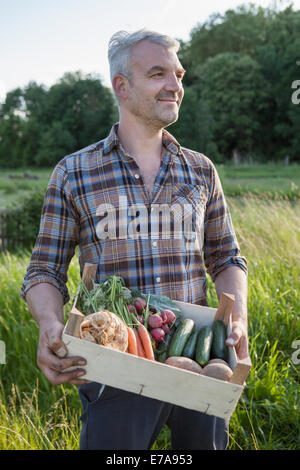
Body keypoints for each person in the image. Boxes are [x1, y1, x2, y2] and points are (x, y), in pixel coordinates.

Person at [20, 29, 249, 450]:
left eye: (179, 74)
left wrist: (239, 319)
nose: (176, 85)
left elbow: (227, 257)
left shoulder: (200, 171)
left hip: (199, 360)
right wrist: (51, 324)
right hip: (112, 364)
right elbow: (43, 270)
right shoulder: (74, 173)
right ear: (121, 86)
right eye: (158, 73)